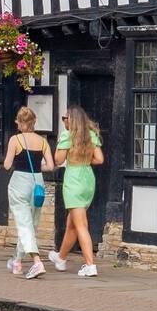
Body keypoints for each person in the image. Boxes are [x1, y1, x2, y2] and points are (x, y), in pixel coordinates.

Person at [48, 105, 104, 277]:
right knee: (72, 223)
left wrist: (60, 145)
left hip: (73, 179)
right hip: (87, 179)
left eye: (65, 118)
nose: (64, 121)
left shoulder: (67, 136)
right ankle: (61, 257)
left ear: (71, 120)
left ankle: (90, 265)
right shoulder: (91, 135)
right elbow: (99, 159)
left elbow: (58, 160)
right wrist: (85, 159)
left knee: (81, 225)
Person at [2, 106, 55, 279]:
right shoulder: (42, 141)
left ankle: (37, 262)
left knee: (24, 224)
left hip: (19, 182)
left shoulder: (15, 140)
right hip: (37, 182)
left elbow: (7, 165)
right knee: (30, 224)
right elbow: (50, 166)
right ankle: (17, 262)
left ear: (21, 122)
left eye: (17, 120)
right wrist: (36, 167)